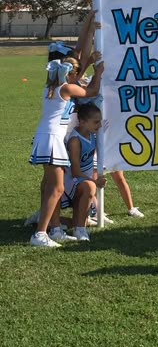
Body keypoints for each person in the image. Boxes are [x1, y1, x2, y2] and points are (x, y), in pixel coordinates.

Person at [29, 57, 104, 247]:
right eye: (75, 74)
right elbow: (92, 91)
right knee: (56, 188)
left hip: (47, 136)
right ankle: (40, 234)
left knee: (49, 186)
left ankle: (54, 229)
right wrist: (98, 72)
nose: (78, 77)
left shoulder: (51, 87)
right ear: (69, 74)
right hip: (53, 138)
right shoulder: (66, 88)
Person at [59, 103, 107, 241]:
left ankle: (46, 218)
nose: (99, 125)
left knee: (77, 220)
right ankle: (80, 230)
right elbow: (75, 171)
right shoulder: (75, 140)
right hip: (72, 180)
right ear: (83, 122)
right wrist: (95, 181)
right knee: (90, 187)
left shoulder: (93, 134)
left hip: (84, 178)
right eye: (96, 122)